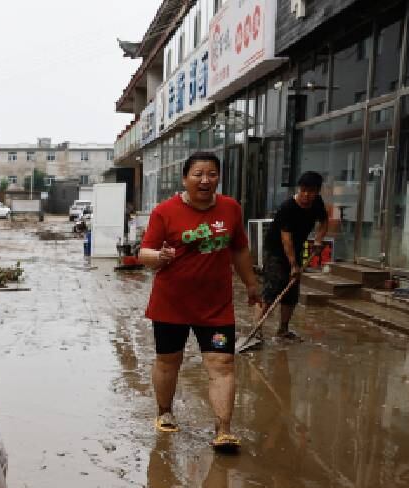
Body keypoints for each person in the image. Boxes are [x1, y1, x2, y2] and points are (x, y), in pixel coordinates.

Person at [137, 151, 261, 452]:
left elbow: (240, 250)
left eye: (212, 174)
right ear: (185, 179)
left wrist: (252, 286)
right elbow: (144, 253)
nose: (206, 180)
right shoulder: (165, 212)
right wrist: (160, 257)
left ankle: (223, 430)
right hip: (171, 305)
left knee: (222, 362)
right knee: (169, 361)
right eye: (198, 174)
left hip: (216, 307)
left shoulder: (231, 209)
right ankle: (164, 411)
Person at [257, 171, 329, 340]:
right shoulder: (288, 207)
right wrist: (293, 265)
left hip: (296, 249)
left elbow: (324, 221)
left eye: (310, 191)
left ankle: (283, 329)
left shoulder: (317, 203)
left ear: (317, 191)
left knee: (291, 292)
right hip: (275, 250)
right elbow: (285, 238)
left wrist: (318, 240)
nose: (306, 194)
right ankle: (257, 329)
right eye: (303, 190)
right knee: (272, 289)